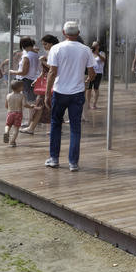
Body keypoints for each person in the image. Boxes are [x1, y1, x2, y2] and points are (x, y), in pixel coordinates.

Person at [45, 22, 95, 172]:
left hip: (60, 92)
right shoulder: (86, 50)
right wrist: (85, 81)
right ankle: (73, 162)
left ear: (63, 32)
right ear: (78, 32)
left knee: (56, 124)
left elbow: (52, 72)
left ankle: (54, 159)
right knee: (75, 128)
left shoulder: (56, 48)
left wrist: (48, 93)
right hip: (77, 93)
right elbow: (92, 73)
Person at [21, 34, 58, 134]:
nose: (44, 46)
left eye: (45, 44)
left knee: (42, 105)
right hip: (47, 83)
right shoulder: (50, 52)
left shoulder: (54, 52)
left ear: (51, 43)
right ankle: (35, 127)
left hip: (51, 83)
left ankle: (32, 127)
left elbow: (53, 69)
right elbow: (44, 71)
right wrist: (37, 79)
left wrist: (43, 61)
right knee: (44, 105)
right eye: (43, 44)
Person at [11, 37, 40, 105]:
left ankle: (30, 115)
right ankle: (31, 115)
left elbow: (24, 72)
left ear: (23, 46)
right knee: (31, 101)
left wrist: (12, 71)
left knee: (29, 102)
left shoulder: (27, 56)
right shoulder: (36, 54)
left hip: (26, 81)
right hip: (32, 79)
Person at [4, 80, 25, 147]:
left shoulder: (8, 95)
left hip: (10, 113)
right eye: (22, 87)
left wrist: (10, 109)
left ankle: (6, 132)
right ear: (19, 88)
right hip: (18, 114)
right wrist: (31, 106)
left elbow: (6, 106)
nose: (23, 88)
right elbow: (24, 104)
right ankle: (12, 142)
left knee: (8, 125)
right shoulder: (21, 96)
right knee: (16, 128)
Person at [87, 41, 105, 110]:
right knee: (89, 89)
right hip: (91, 72)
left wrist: (98, 55)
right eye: (93, 45)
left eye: (96, 45)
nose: (94, 46)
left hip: (98, 73)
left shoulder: (101, 53)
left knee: (96, 88)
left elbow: (104, 60)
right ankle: (88, 104)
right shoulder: (90, 53)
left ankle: (94, 104)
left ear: (98, 46)